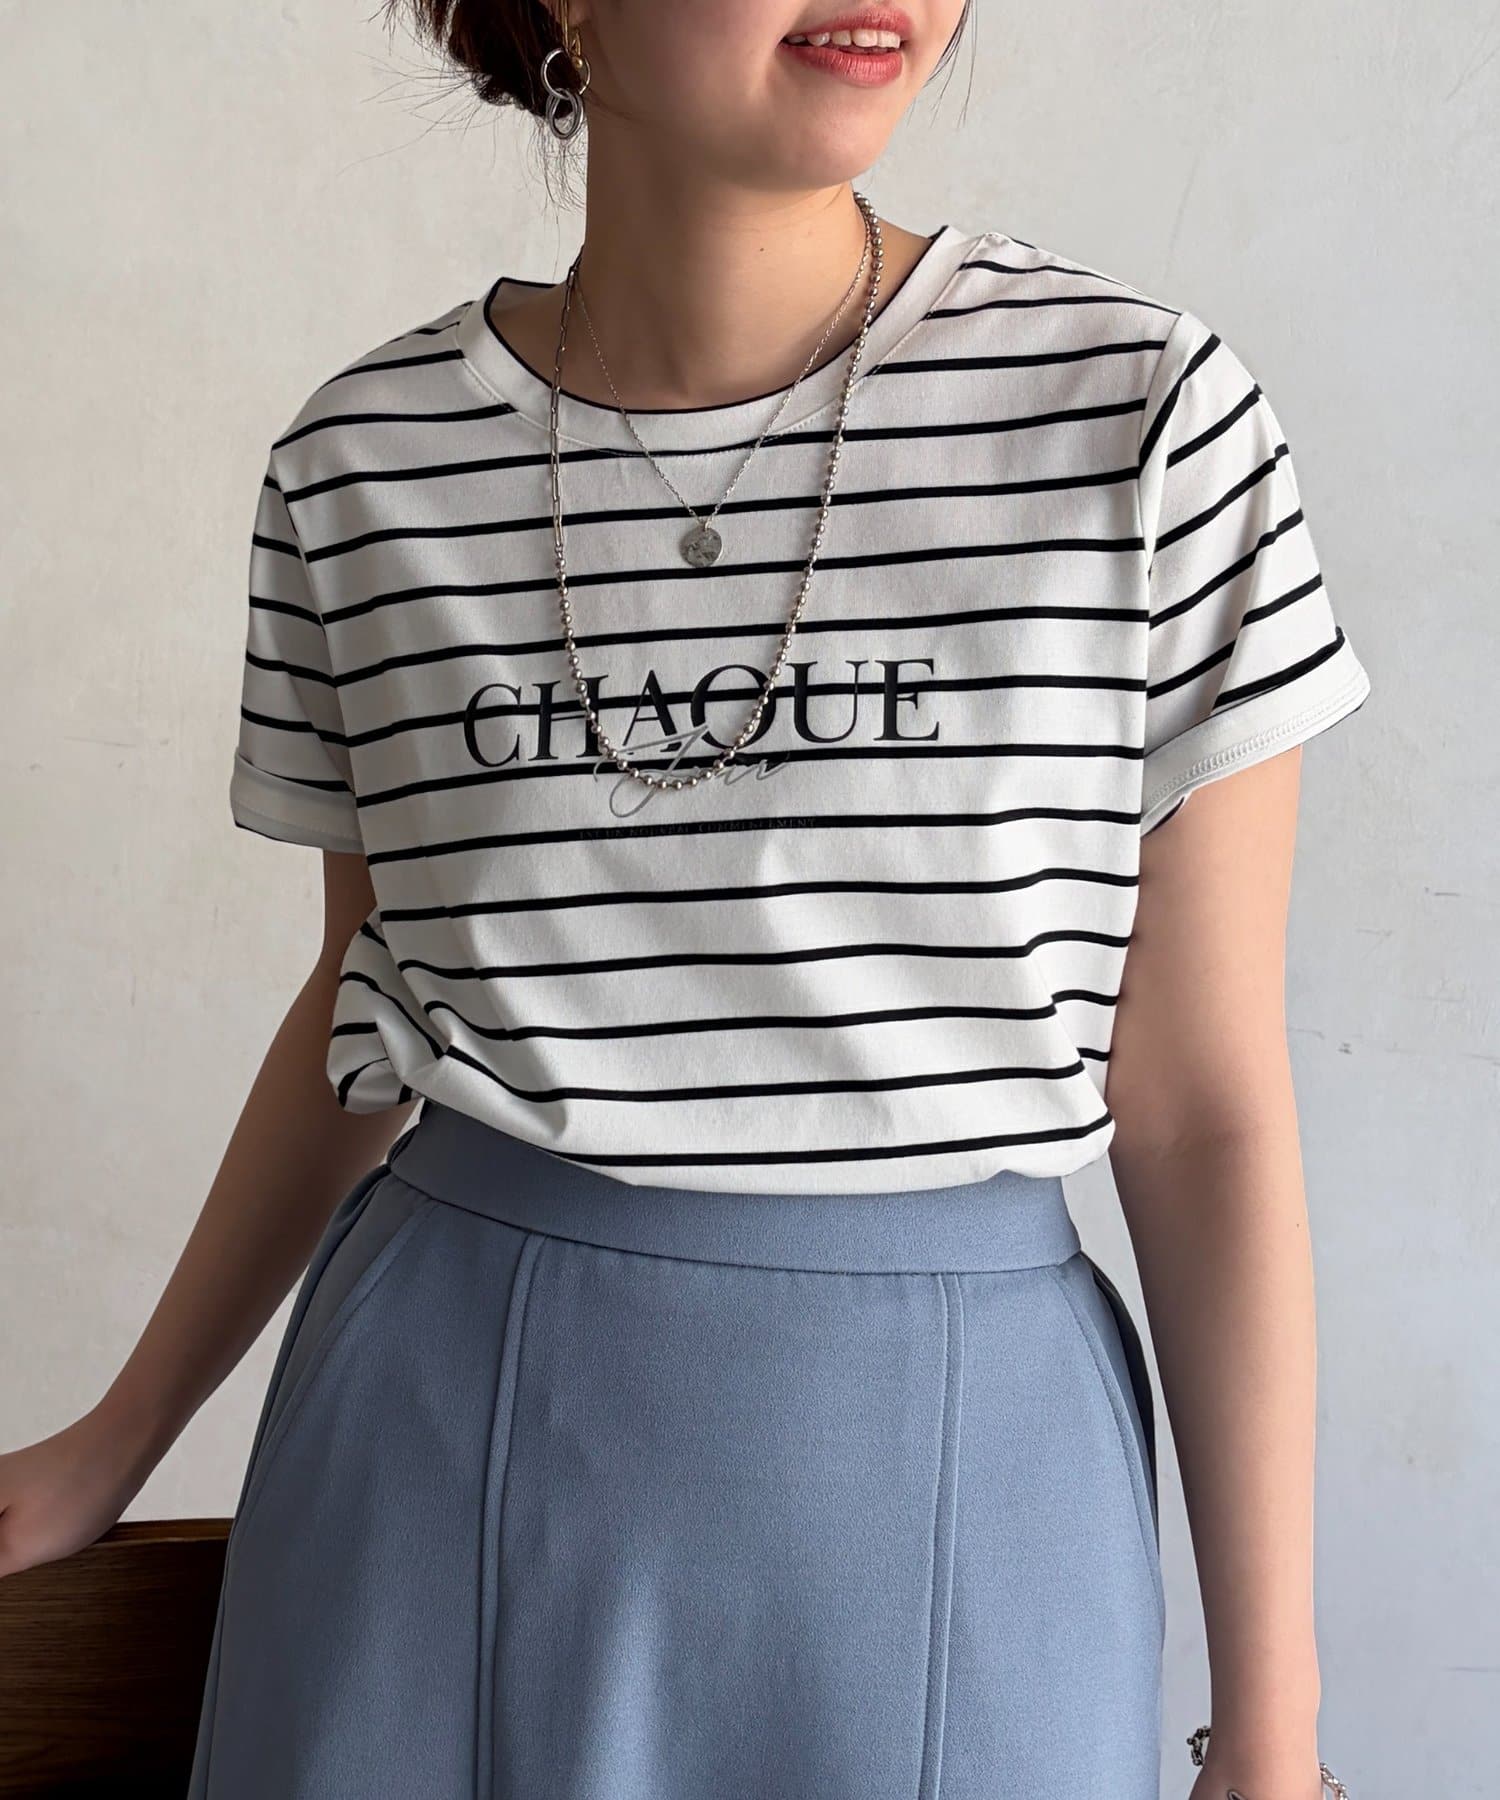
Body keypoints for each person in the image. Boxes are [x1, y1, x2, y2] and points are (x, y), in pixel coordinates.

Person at [0, 4, 1369, 1796]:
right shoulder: (365, 464)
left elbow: (1202, 1113)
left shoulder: (1142, 418)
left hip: (960, 1471)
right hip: (435, 1443)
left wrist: (1271, 1732)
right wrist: (120, 1436)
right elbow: (367, 1004)